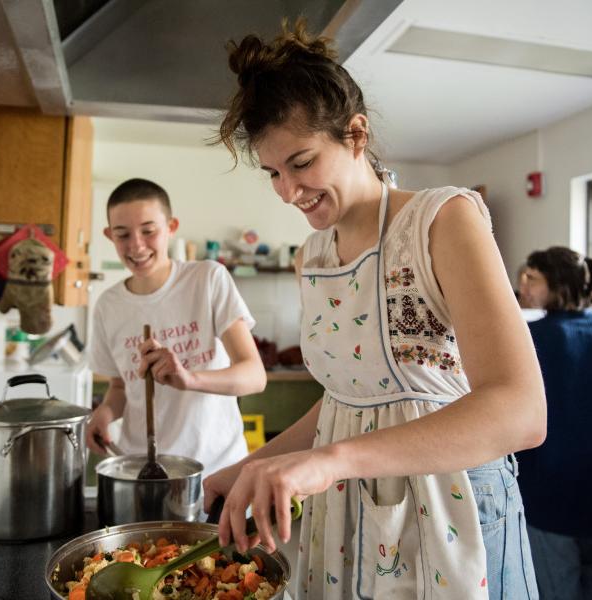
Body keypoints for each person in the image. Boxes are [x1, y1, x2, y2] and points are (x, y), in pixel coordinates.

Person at [203, 20, 548, 599]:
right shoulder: (312, 257)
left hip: (453, 506)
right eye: (274, 174)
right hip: (347, 521)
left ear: (356, 135)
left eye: (302, 162)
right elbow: (347, 402)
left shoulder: (442, 221)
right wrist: (248, 468)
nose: (288, 191)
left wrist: (331, 462)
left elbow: (521, 412)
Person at [86, 178, 266, 478]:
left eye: (148, 230)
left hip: (216, 473)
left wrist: (188, 378)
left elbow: (254, 376)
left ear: (171, 227)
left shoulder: (207, 279)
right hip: (144, 474)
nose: (136, 245)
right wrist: (104, 414)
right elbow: (119, 387)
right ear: (109, 235)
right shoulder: (108, 305)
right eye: (122, 234)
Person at [516, 247, 592, 600]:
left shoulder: (533, 337)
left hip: (549, 495)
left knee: (557, 588)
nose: (522, 285)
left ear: (557, 284)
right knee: (591, 581)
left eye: (532, 278)